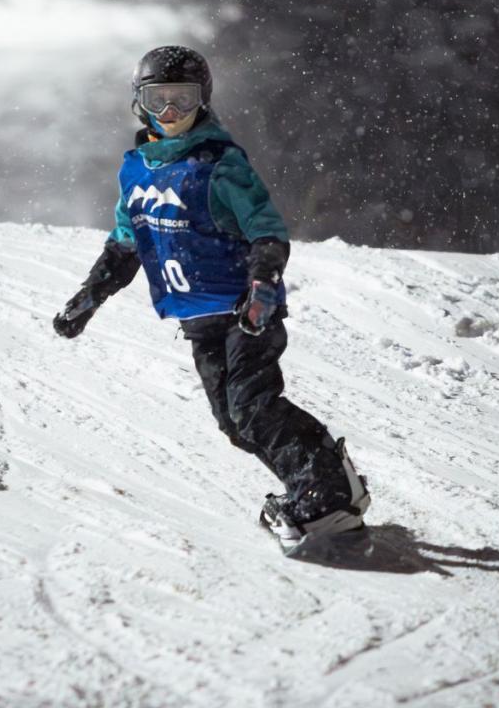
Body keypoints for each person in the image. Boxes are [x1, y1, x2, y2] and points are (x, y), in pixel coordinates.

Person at [51, 45, 369, 548]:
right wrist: (89, 297)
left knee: (254, 407)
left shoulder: (220, 166)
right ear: (140, 103)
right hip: (198, 319)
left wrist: (263, 285)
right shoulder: (135, 171)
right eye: (160, 99)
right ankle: (325, 479)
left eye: (184, 98)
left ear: (205, 101)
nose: (171, 111)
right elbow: (126, 242)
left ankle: (325, 493)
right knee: (235, 425)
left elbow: (267, 231)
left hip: (245, 312)